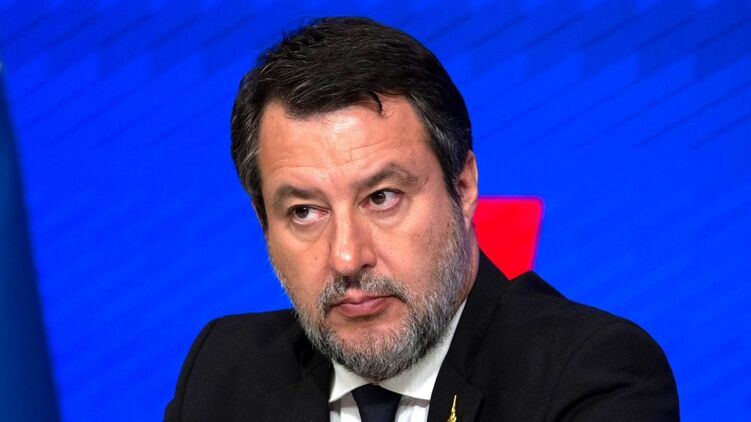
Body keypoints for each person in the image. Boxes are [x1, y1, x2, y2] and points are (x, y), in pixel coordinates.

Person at [165, 17, 679, 422]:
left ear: (463, 187)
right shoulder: (225, 373)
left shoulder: (589, 374)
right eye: (304, 212)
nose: (347, 257)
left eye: (382, 198)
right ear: (263, 222)